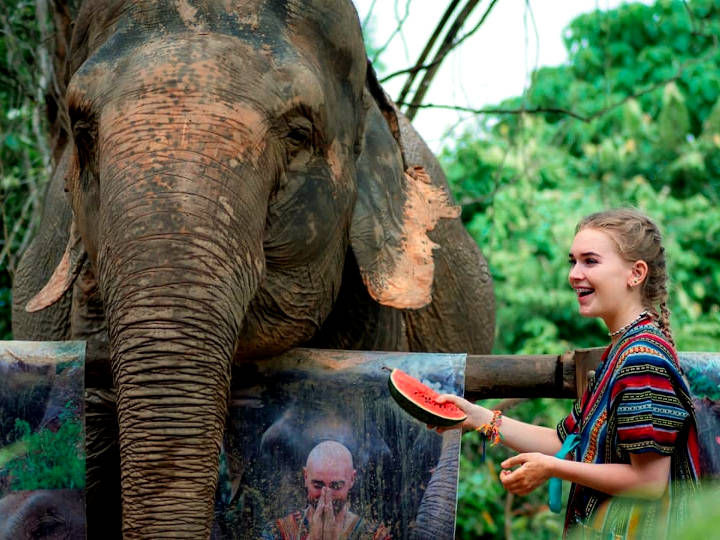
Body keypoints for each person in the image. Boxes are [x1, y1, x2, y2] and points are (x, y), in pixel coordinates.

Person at [434, 208, 701, 538]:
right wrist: (481, 418)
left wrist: (552, 468)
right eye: (573, 261)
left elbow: (649, 482)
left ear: (636, 273)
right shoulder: (620, 352)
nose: (575, 274)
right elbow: (566, 441)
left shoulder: (642, 360)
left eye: (590, 261)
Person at [261, 440, 390, 540]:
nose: (326, 495)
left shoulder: (376, 536)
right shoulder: (277, 532)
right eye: (317, 485)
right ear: (305, 477)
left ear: (352, 479)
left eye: (336, 486)